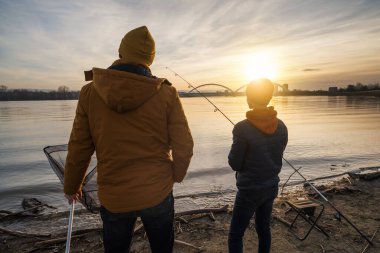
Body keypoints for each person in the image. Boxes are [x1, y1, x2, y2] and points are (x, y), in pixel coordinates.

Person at [63, 26, 194, 253]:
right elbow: (184, 144)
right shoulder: (167, 94)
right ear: (149, 60)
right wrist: (176, 175)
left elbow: (79, 147)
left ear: (121, 52)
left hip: (115, 197)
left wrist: (72, 185)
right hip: (157, 191)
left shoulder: (90, 93)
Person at [228, 78, 288, 253]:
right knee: (263, 228)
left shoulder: (242, 128)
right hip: (271, 186)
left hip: (249, 190)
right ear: (269, 98)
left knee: (236, 234)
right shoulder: (282, 126)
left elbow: (234, 162)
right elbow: (277, 154)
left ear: (250, 99)